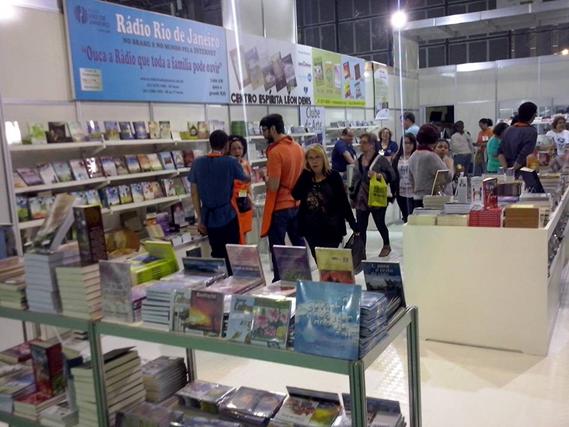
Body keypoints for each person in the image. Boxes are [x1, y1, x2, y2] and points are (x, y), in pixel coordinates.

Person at [189, 130, 250, 275]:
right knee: (233, 253)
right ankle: (235, 282)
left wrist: (200, 218)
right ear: (227, 145)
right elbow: (245, 179)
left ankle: (220, 282)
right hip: (228, 215)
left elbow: (194, 193)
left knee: (217, 254)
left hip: (209, 217)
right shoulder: (231, 162)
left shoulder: (197, 163)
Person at [259, 114, 305, 282]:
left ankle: (280, 280)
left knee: (277, 246)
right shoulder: (298, 147)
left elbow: (273, 186)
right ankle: (302, 276)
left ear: (273, 129)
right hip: (296, 203)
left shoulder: (275, 152)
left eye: (264, 130)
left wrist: (265, 178)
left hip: (280, 206)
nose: (263, 134)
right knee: (298, 243)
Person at [292, 144, 357, 259]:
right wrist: (305, 173)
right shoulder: (306, 177)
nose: (314, 161)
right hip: (311, 229)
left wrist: (353, 223)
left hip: (331, 228)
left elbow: (343, 202)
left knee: (330, 262)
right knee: (319, 262)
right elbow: (296, 195)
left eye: (317, 157)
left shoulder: (333, 176)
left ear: (324, 159)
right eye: (311, 158)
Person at [350, 133, 395, 258]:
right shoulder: (359, 160)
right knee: (361, 226)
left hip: (377, 196)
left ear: (371, 145)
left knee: (380, 223)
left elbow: (392, 175)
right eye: (360, 142)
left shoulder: (381, 160)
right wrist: (352, 196)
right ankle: (361, 251)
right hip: (361, 198)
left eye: (364, 142)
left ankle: (386, 245)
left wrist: (379, 175)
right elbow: (354, 179)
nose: (361, 145)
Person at [408, 124, 449, 208]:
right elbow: (447, 176)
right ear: (435, 139)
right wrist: (449, 164)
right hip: (431, 200)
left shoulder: (413, 156)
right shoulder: (431, 156)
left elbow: (410, 179)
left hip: (416, 198)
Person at [227, 135, 253, 245]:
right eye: (233, 149)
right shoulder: (227, 166)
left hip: (244, 204)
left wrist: (250, 197)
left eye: (239, 148)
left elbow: (249, 185)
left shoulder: (246, 164)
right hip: (232, 206)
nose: (237, 151)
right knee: (236, 235)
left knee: (244, 233)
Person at [498, 101, 538, 169]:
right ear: (533, 115)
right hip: (523, 169)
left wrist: (506, 169)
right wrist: (514, 169)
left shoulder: (508, 129)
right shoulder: (532, 131)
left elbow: (500, 152)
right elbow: (524, 154)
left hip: (508, 168)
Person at [391, 133, 417, 223]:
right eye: (405, 143)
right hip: (401, 192)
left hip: (415, 192)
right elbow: (393, 175)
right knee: (406, 217)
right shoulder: (397, 158)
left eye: (410, 143)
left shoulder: (417, 157)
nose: (407, 145)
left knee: (415, 217)